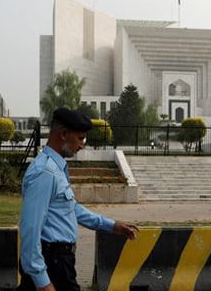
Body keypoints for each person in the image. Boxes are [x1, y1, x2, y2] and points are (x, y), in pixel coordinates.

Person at [18, 107, 138, 291]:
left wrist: (111, 225)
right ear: (64, 134)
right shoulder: (45, 172)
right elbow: (31, 228)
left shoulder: (56, 168)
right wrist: (43, 282)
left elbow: (71, 209)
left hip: (60, 262)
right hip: (52, 263)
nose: (82, 145)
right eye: (80, 138)